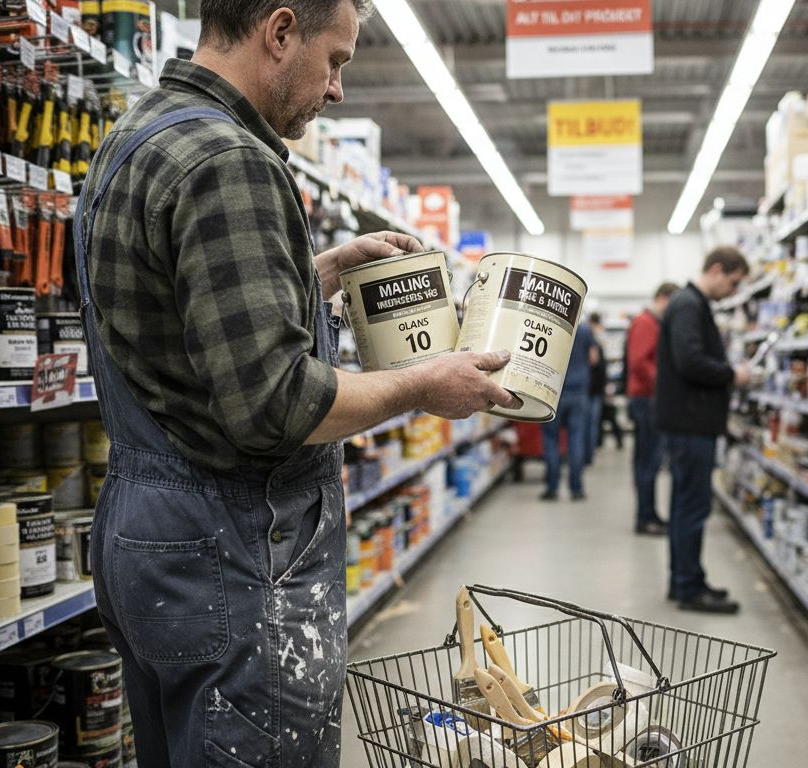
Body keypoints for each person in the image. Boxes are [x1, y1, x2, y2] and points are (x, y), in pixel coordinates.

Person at [76, 2, 518, 765]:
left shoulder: (138, 135)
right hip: (236, 555)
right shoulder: (231, 160)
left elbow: (186, 323)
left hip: (147, 538)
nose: (338, 89)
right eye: (336, 60)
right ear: (279, 32)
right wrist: (422, 385)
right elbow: (279, 404)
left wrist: (318, 273)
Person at [657, 248, 752, 614]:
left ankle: (686, 580)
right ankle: (688, 587)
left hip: (689, 422)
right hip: (690, 424)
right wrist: (733, 375)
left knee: (687, 506)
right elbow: (690, 361)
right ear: (716, 270)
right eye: (732, 282)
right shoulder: (688, 305)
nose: (732, 290)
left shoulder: (688, 303)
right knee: (692, 507)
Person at [626, 282, 678, 535]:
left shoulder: (650, 322)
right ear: (664, 298)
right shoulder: (645, 323)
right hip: (647, 399)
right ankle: (645, 518)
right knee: (649, 461)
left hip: (647, 397)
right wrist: (662, 385)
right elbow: (638, 362)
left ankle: (649, 514)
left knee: (648, 461)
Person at [542, 319, 596, 500]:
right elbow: (594, 359)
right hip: (578, 391)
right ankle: (576, 488)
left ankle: (552, 487)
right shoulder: (585, 330)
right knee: (576, 439)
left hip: (553, 391)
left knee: (551, 440)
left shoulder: (551, 326)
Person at [586, 313, 607, 464]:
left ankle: (588, 455)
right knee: (591, 425)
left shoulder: (593, 341)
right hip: (591, 390)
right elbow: (595, 362)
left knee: (589, 425)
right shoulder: (592, 342)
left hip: (591, 390)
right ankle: (588, 456)